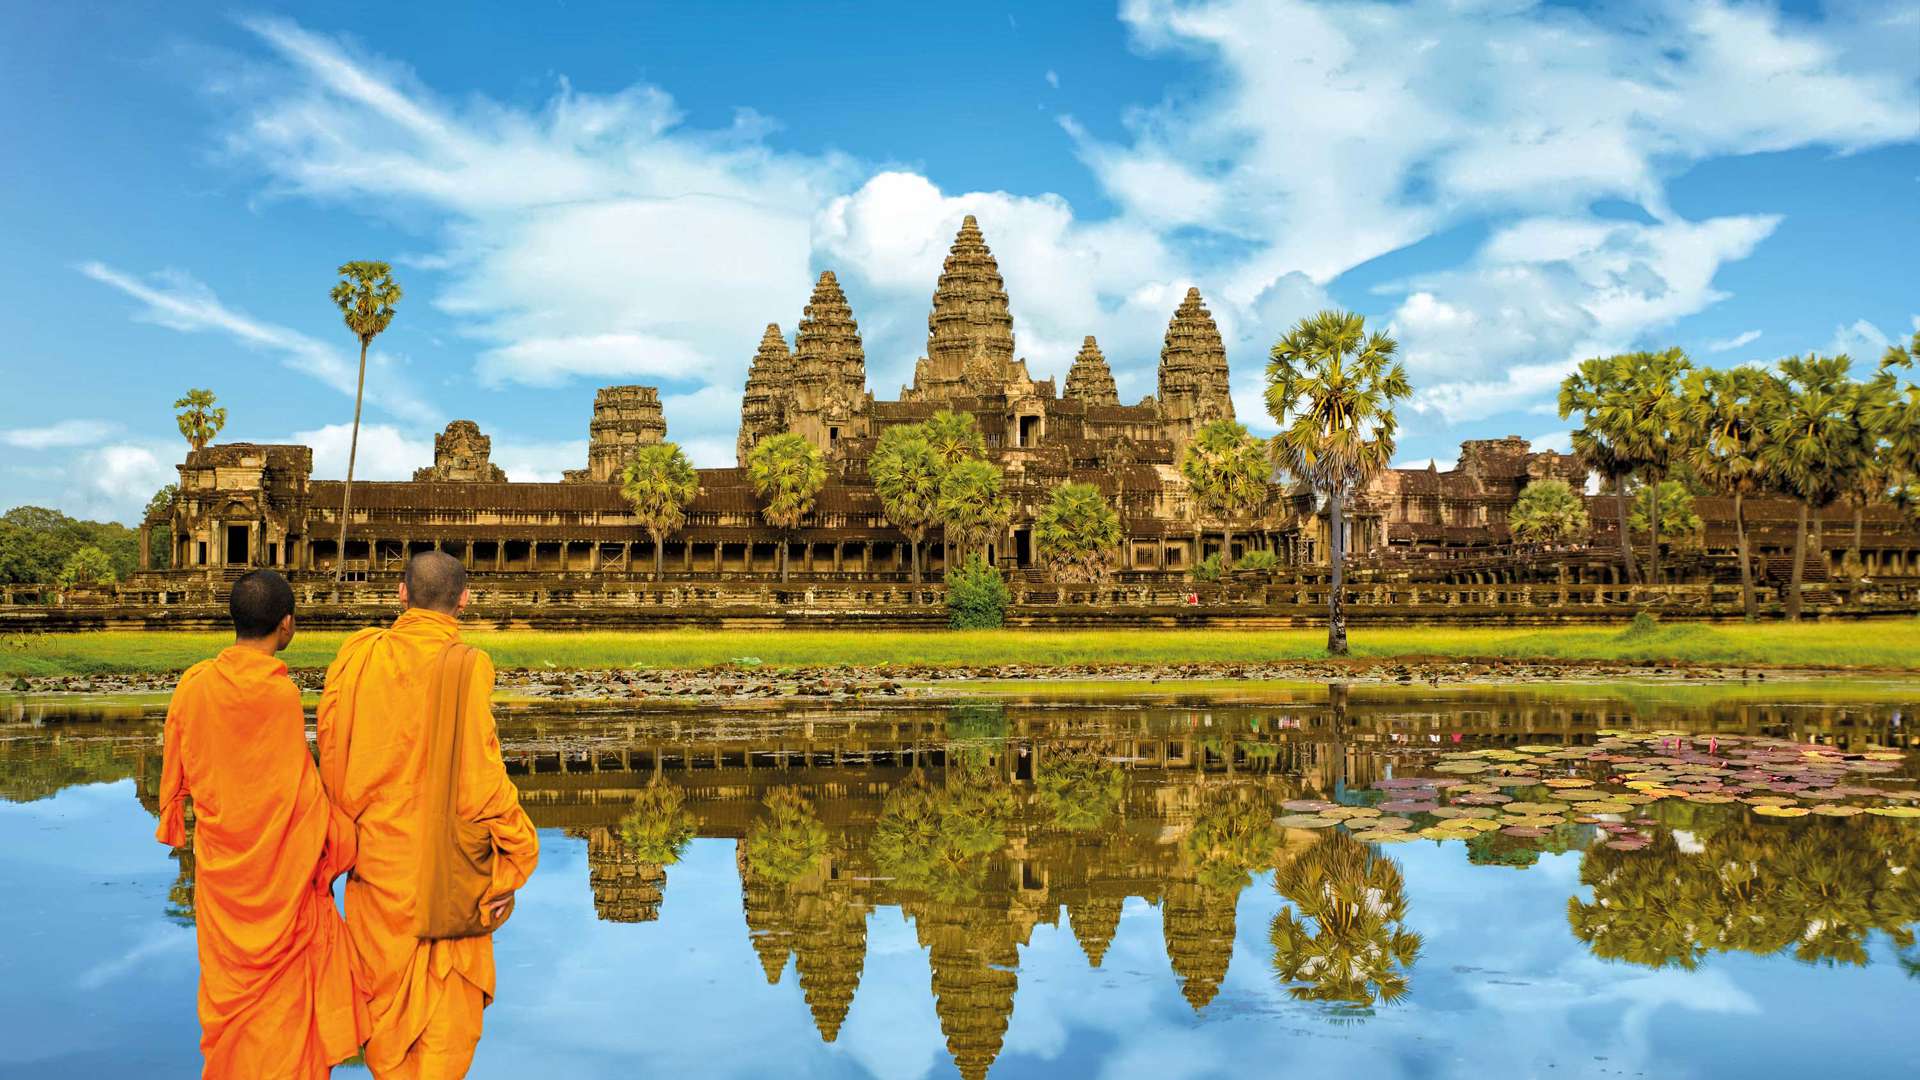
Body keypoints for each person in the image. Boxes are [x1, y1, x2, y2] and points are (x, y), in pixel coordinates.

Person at [318, 551, 539, 1079]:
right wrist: (519, 855)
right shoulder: (465, 667)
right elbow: (482, 783)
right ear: (464, 600)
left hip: (377, 868)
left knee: (387, 1017)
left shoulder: (358, 656)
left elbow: (330, 752)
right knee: (445, 1030)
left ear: (401, 593)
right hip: (450, 876)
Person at [155, 569, 367, 1078]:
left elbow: (177, 777)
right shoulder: (278, 695)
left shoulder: (195, 685)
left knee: (233, 1012)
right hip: (282, 884)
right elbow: (299, 793)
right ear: (287, 625)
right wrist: (343, 836)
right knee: (288, 1020)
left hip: (225, 876)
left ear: (233, 620)